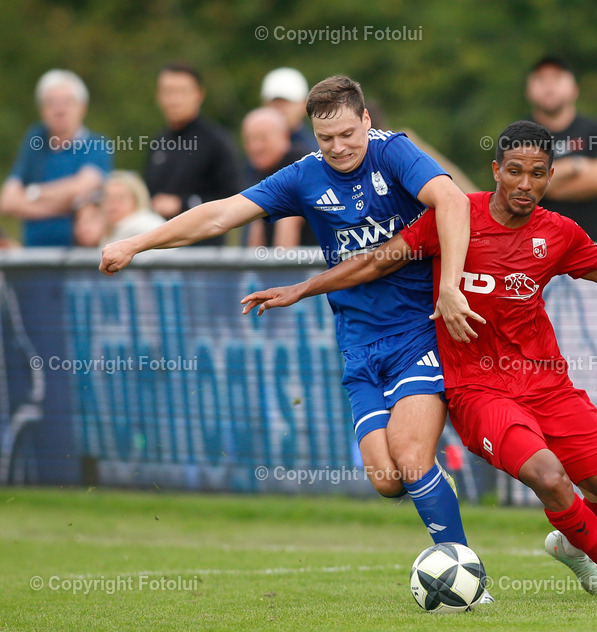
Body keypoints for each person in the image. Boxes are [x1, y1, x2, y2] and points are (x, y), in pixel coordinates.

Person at [239, 121, 597, 602]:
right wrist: (302, 288)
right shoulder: (454, 217)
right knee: (549, 476)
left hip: (548, 385)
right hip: (477, 391)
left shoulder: (558, 234)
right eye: (514, 171)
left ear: (550, 176)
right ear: (496, 172)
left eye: (537, 174)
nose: (525, 184)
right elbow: (378, 258)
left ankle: (573, 544)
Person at [100, 76, 490, 601]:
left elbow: (453, 201)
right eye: (326, 138)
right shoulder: (305, 176)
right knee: (386, 477)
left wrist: (448, 288)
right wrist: (138, 241)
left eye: (348, 134)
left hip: (417, 331)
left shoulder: (394, 153)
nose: (339, 147)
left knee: (412, 456)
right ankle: (438, 487)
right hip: (357, 342)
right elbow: (220, 214)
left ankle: (466, 576)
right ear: (312, 133)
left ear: (366, 121)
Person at [0, 69, 112, 246]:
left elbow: (81, 189)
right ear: (42, 109)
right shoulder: (34, 142)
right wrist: (64, 205)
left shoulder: (97, 145)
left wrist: (32, 193)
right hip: (33, 258)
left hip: (80, 260)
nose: (59, 110)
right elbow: (7, 201)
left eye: (67, 102)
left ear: (82, 107)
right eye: (51, 103)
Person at [144, 61, 242, 244]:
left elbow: (234, 200)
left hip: (203, 256)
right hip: (161, 253)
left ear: (199, 94)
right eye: (167, 92)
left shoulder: (217, 141)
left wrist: (182, 204)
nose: (173, 99)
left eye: (181, 91)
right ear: (158, 96)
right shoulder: (159, 142)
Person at [526, 56, 597, 242]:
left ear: (574, 89)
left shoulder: (596, 129)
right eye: (540, 79)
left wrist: (545, 184)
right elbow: (518, 187)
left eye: (557, 79)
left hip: (595, 247)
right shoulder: (520, 133)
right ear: (528, 90)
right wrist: (574, 166)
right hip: (538, 249)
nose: (549, 86)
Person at [240, 107, 310, 247]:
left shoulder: (298, 166)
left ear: (284, 137)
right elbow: (257, 222)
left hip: (314, 264)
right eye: (250, 140)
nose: (255, 147)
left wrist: (278, 267)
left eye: (263, 138)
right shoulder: (261, 169)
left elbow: (289, 223)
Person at [75, 171, 165, 247]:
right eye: (108, 198)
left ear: (136, 200)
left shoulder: (145, 228)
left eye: (120, 198)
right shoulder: (111, 234)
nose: (113, 204)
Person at [261, 67, 319, 154]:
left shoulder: (314, 152)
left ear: (304, 105)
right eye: (274, 102)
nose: (279, 108)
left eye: (286, 102)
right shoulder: (257, 152)